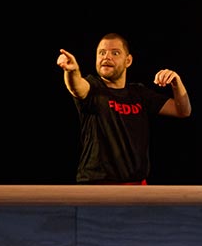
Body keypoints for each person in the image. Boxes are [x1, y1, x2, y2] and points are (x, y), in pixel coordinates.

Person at [57, 33, 191, 183]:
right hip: (97, 185)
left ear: (128, 61)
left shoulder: (139, 93)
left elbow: (183, 111)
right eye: (102, 52)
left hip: (136, 185)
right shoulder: (93, 88)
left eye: (115, 53)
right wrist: (71, 71)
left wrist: (176, 83)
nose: (106, 57)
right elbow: (76, 87)